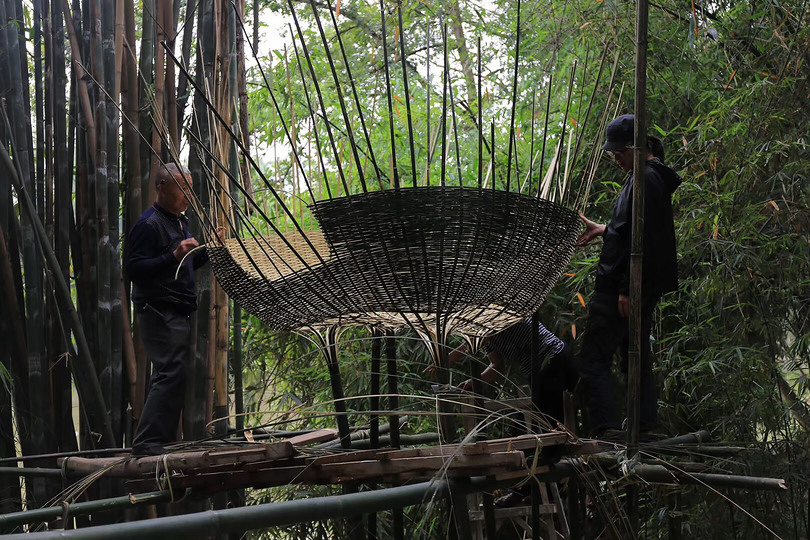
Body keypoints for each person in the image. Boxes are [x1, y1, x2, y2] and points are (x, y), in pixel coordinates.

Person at [576, 114, 681, 439]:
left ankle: (607, 428)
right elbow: (632, 231)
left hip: (622, 289)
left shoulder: (646, 179)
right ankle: (644, 425)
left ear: (636, 147)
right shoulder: (647, 177)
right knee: (634, 355)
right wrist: (604, 230)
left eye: (618, 153)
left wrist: (626, 288)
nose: (615, 158)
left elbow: (644, 240)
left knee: (594, 360)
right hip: (633, 286)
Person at [126, 163, 208, 456]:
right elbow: (133, 268)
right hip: (158, 310)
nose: (188, 194)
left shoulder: (177, 220)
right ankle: (147, 442)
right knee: (170, 372)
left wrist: (208, 250)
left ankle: (159, 440)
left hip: (175, 310)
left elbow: (183, 264)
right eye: (182, 188)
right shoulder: (149, 224)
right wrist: (174, 254)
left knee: (175, 373)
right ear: (161, 187)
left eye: (190, 188)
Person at [427, 319, 578, 425]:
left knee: (543, 420)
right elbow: (497, 366)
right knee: (534, 422)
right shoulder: (486, 340)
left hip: (553, 359)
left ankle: (546, 459)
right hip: (537, 371)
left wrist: (445, 360)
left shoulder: (496, 318)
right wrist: (474, 382)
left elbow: (479, 339)